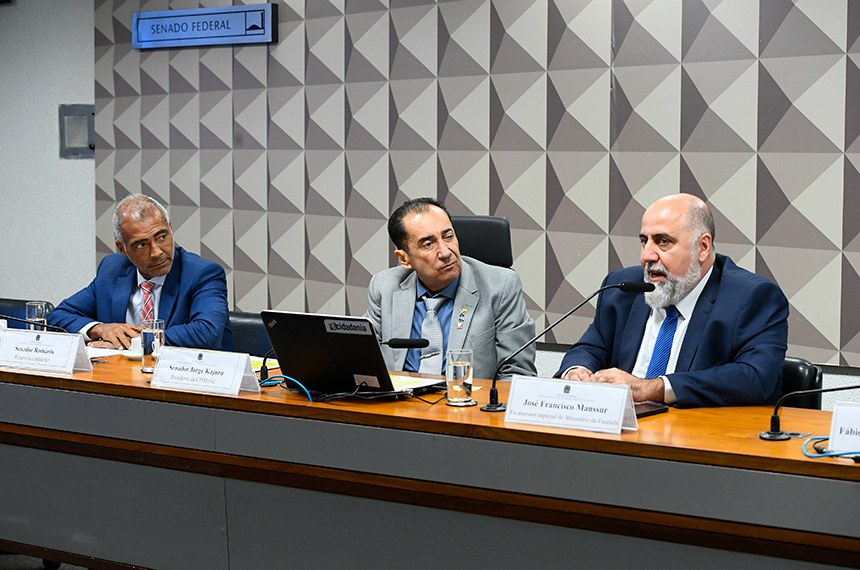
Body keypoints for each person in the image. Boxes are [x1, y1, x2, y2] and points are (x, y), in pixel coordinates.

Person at [555, 193, 788, 407]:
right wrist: (578, 370)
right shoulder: (623, 287)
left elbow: (756, 378)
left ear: (703, 247)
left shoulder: (751, 297)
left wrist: (653, 388)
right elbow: (591, 347)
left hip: (696, 438)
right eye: (644, 241)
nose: (647, 255)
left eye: (663, 242)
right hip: (619, 434)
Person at [365, 197, 536, 380]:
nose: (446, 252)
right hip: (398, 404)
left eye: (448, 236)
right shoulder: (384, 286)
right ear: (404, 259)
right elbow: (363, 360)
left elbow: (518, 374)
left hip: (467, 403)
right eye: (428, 244)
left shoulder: (500, 286)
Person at [48, 194, 233, 351]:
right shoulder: (112, 270)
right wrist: (100, 329)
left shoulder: (202, 273)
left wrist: (133, 342)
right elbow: (58, 316)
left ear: (170, 228)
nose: (157, 252)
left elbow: (208, 333)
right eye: (142, 244)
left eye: (161, 237)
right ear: (122, 249)